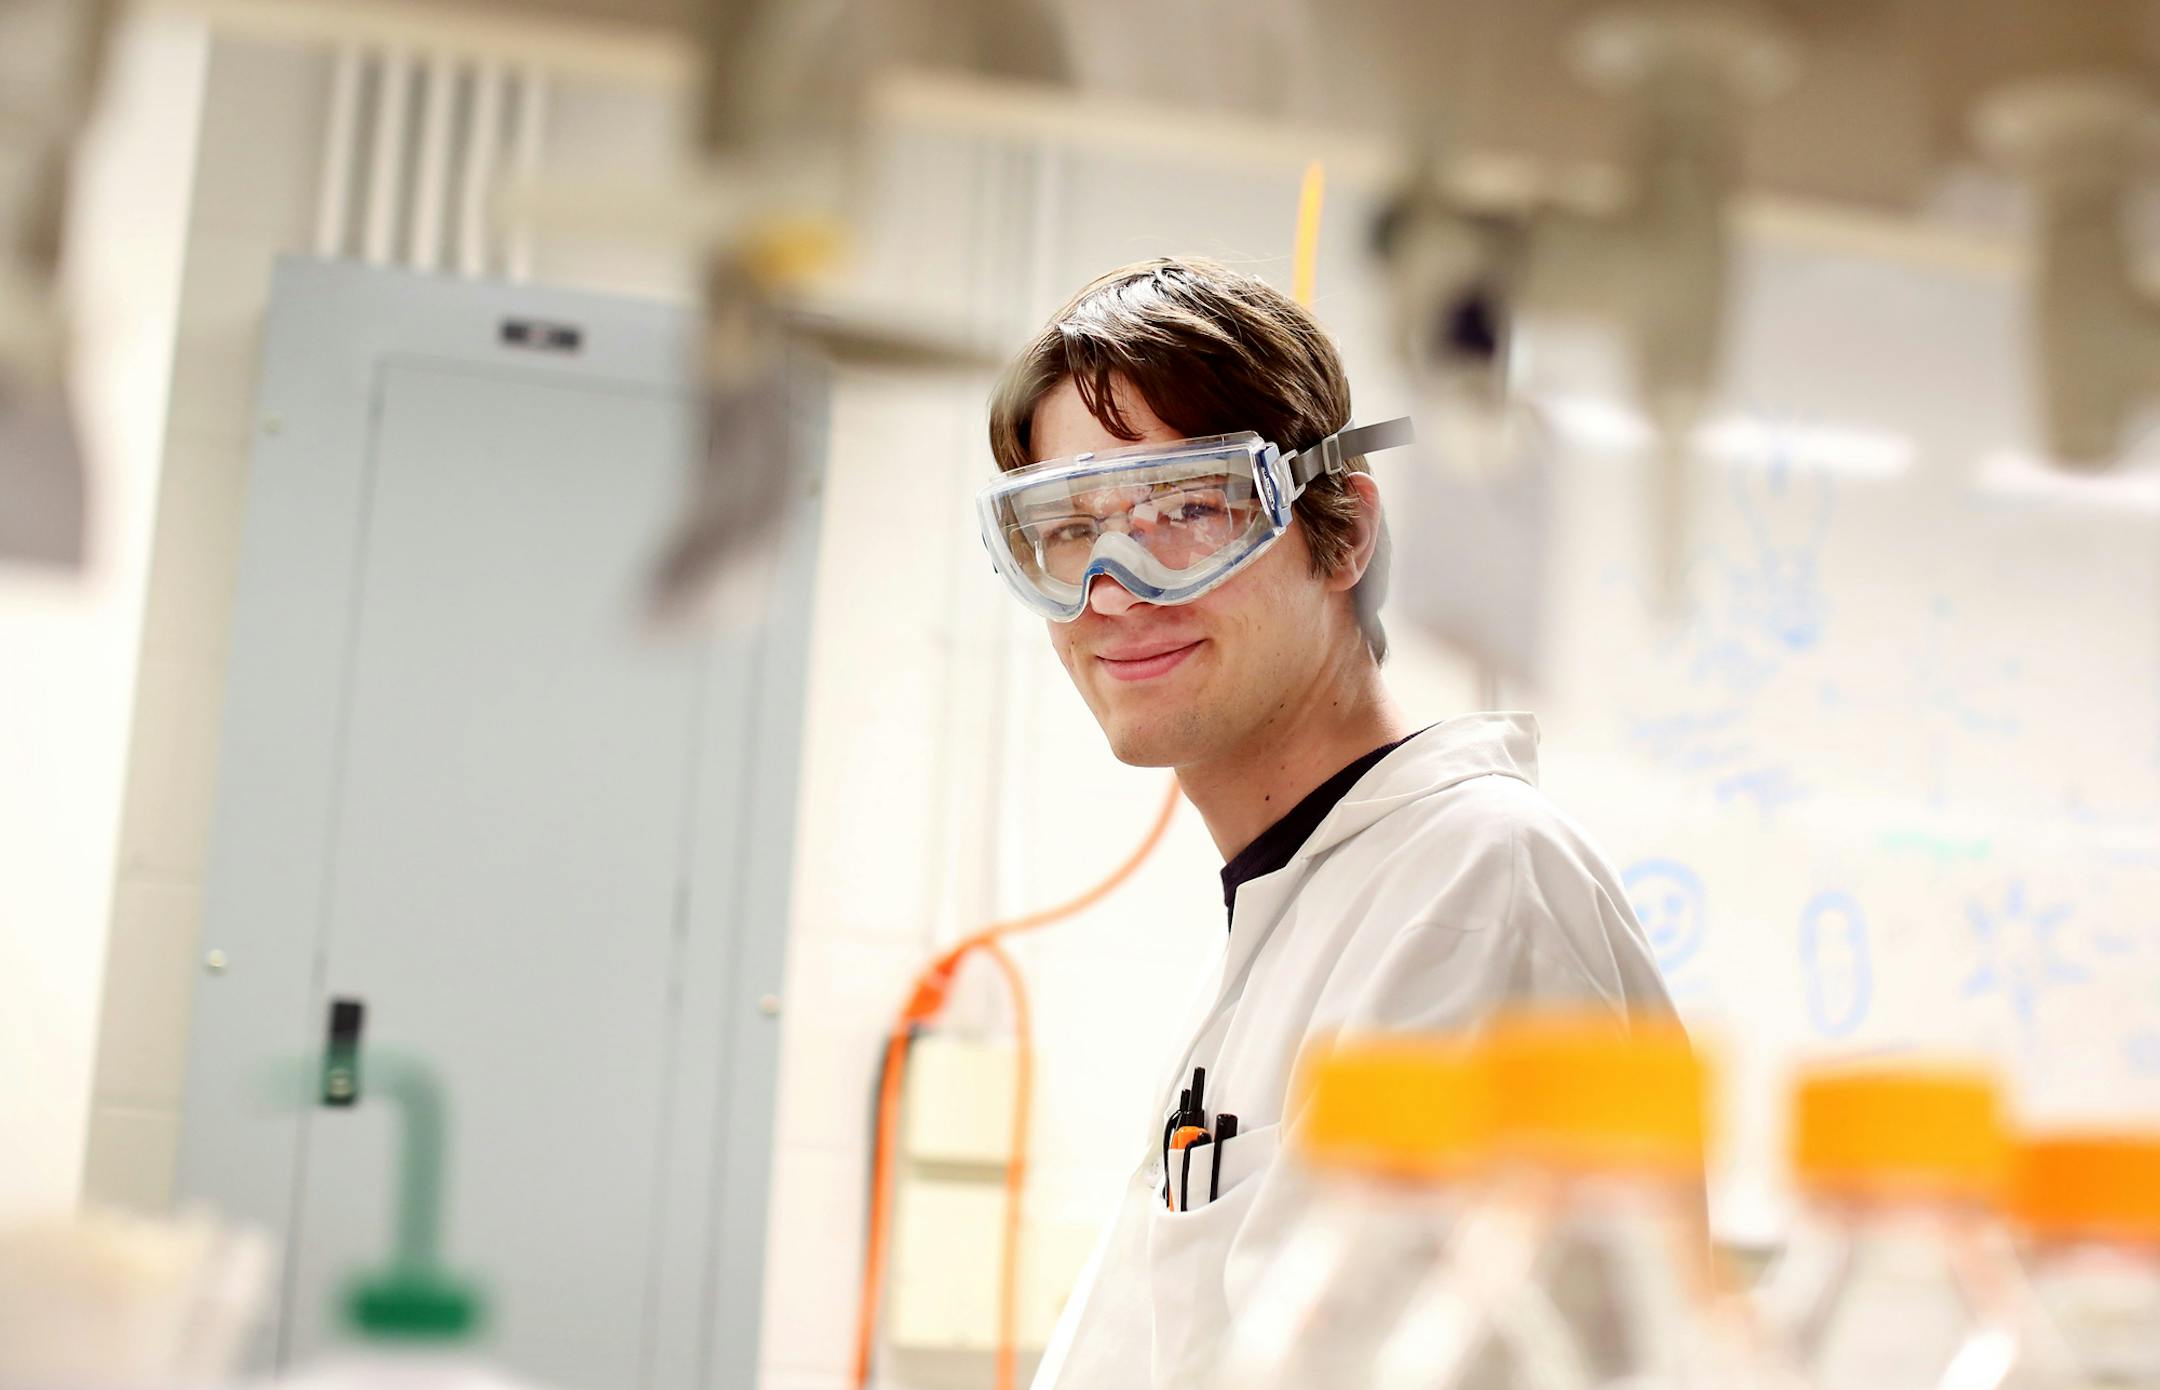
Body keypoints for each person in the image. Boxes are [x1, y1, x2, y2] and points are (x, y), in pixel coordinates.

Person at [976, 257, 1672, 1389]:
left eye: (1189, 509)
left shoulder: (1473, 887)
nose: (1112, 589)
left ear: (1340, 533)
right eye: (1062, 530)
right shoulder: (1302, 904)